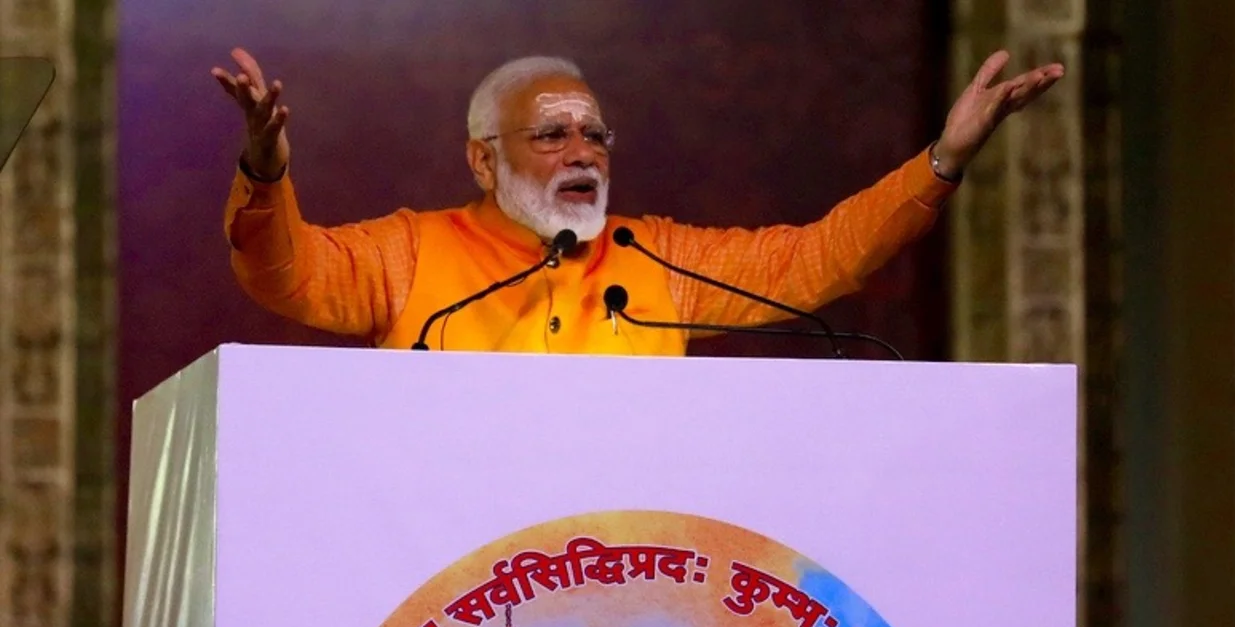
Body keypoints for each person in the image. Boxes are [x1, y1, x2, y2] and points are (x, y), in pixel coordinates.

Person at [210, 47, 1062, 354]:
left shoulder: (653, 260)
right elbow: (289, 273)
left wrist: (943, 160)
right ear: (481, 159)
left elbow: (816, 262)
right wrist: (265, 168)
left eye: (596, 137)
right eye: (551, 136)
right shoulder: (407, 254)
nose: (582, 152)